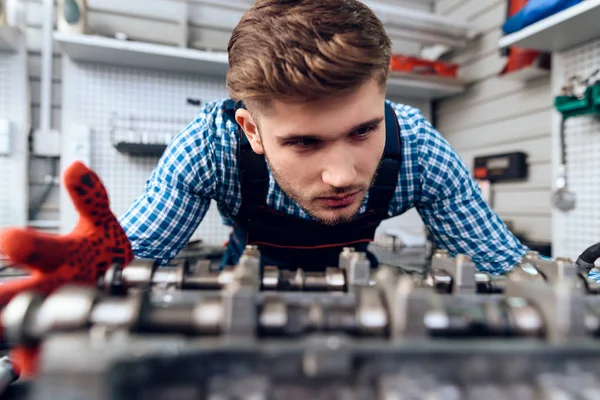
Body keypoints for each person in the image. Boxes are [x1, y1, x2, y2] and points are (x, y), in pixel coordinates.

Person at [119, 0, 528, 273]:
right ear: (252, 131)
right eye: (304, 142)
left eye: (364, 130)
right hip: (241, 288)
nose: (341, 176)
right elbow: (123, 265)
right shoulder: (211, 147)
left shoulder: (419, 151)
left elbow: (504, 267)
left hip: (359, 296)